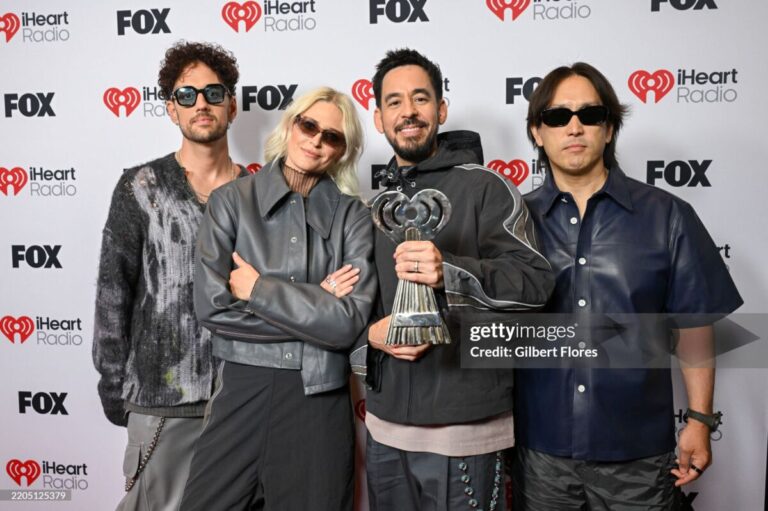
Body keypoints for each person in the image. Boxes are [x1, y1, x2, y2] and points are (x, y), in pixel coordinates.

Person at [513, 62, 743, 510]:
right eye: (558, 117)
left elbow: (694, 327)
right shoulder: (511, 223)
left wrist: (698, 419)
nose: (574, 127)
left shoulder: (667, 216)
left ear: (610, 128)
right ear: (538, 133)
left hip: (638, 455)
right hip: (540, 452)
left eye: (590, 115)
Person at [362, 48, 554, 511]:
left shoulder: (485, 187)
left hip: (464, 431)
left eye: (421, 99)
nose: (408, 111)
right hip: (385, 429)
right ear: (378, 118)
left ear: (441, 110)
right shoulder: (375, 207)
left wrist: (448, 271)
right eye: (394, 102)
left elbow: (535, 284)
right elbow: (358, 308)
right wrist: (371, 336)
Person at [178, 87, 377, 511]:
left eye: (332, 136)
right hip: (242, 387)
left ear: (343, 151)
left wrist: (258, 290)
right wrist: (316, 302)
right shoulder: (230, 201)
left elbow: (347, 324)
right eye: (308, 126)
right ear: (290, 126)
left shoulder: (353, 216)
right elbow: (213, 307)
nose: (316, 141)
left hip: (318, 397)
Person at [92, 41, 247, 510]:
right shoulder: (140, 187)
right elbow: (111, 296)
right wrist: (118, 393)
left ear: (232, 106)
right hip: (160, 404)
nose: (201, 103)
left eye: (213, 93)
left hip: (241, 405)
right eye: (187, 95)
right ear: (171, 111)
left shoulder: (257, 195)